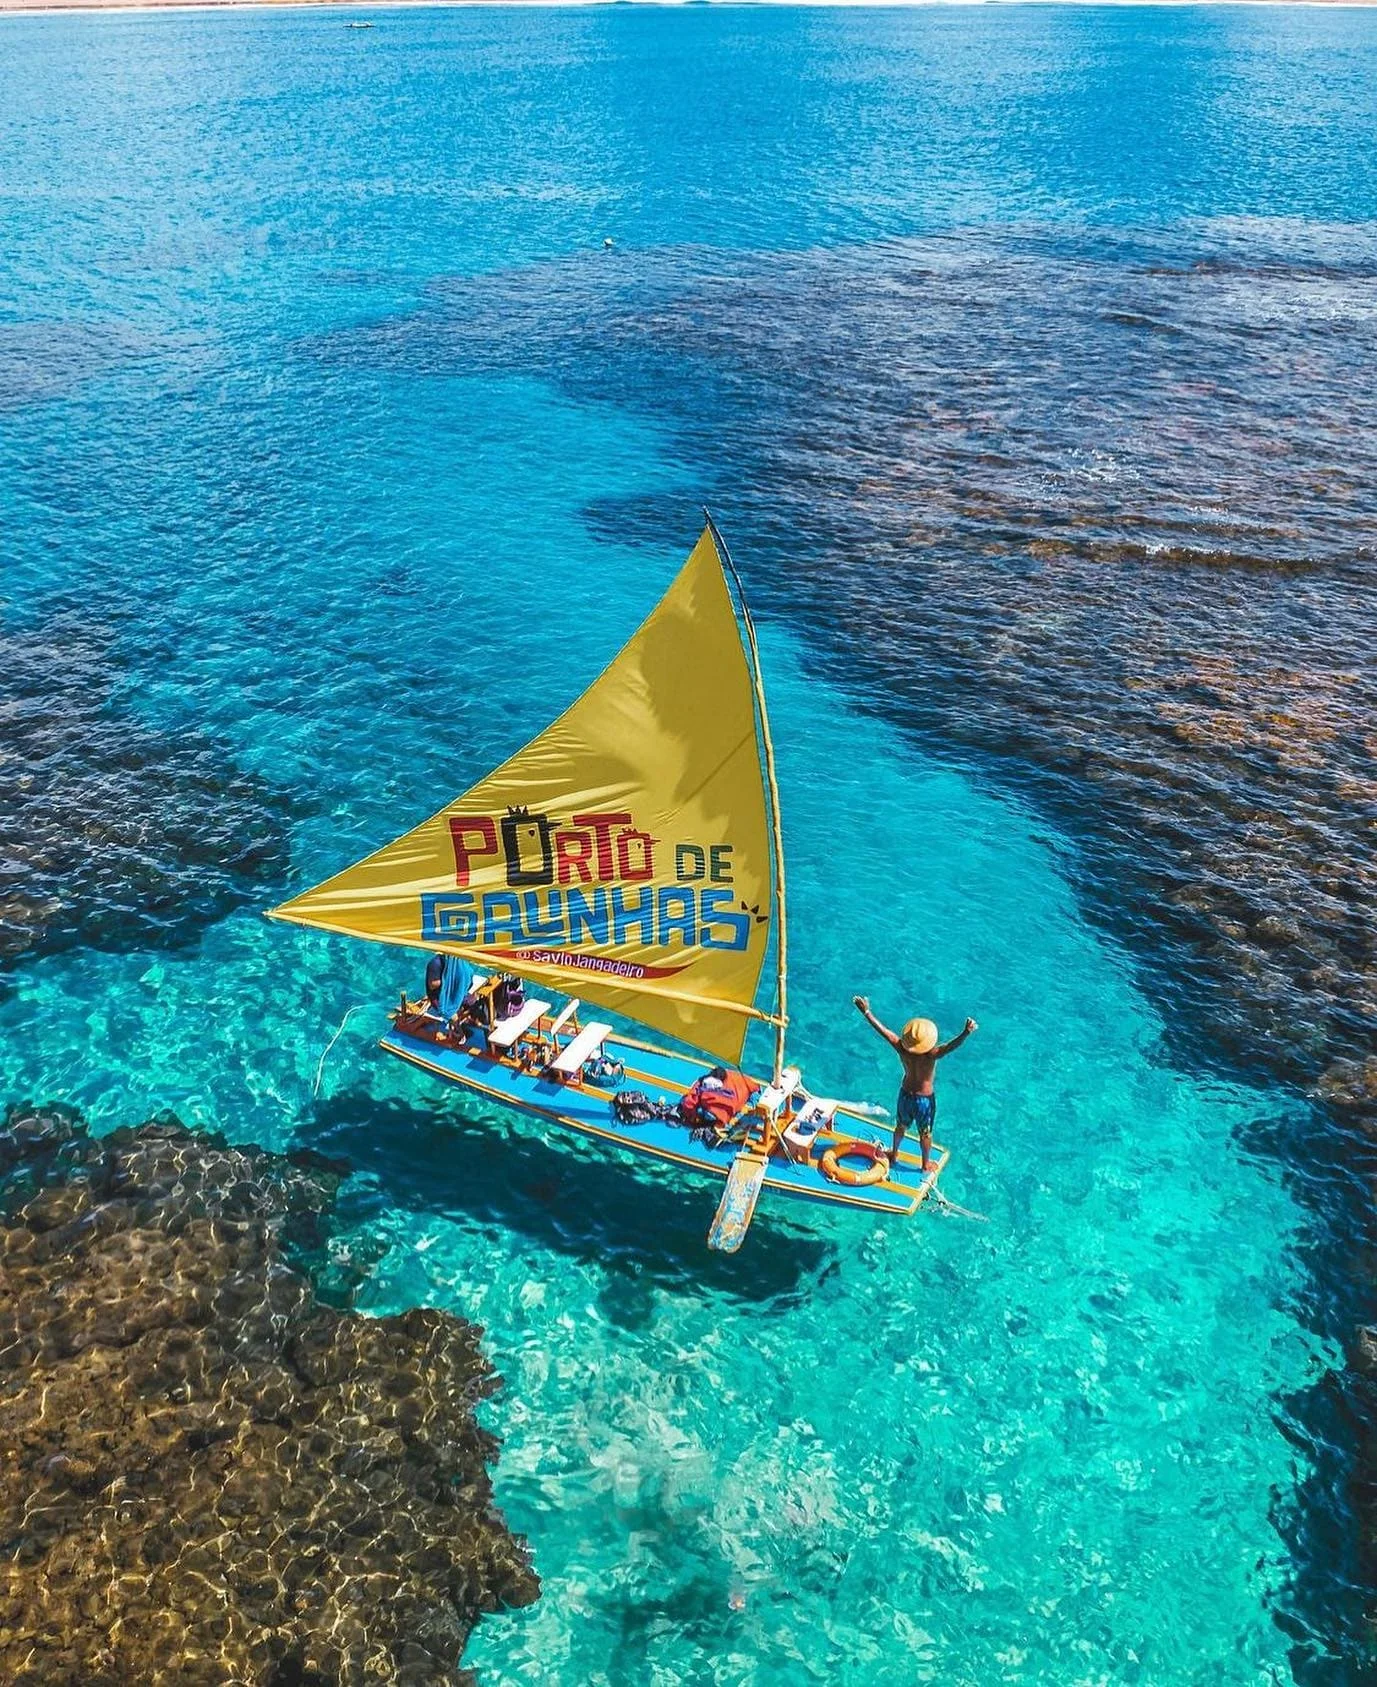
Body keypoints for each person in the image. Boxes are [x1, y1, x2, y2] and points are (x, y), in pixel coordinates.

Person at [852, 996, 977, 1174]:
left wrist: (866, 1011)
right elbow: (950, 1046)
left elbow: (883, 1031)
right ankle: (925, 1165)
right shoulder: (931, 1055)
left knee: (900, 1127)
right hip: (924, 1101)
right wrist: (966, 1032)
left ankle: (894, 1155)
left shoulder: (901, 1048)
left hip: (905, 1095)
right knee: (925, 1133)